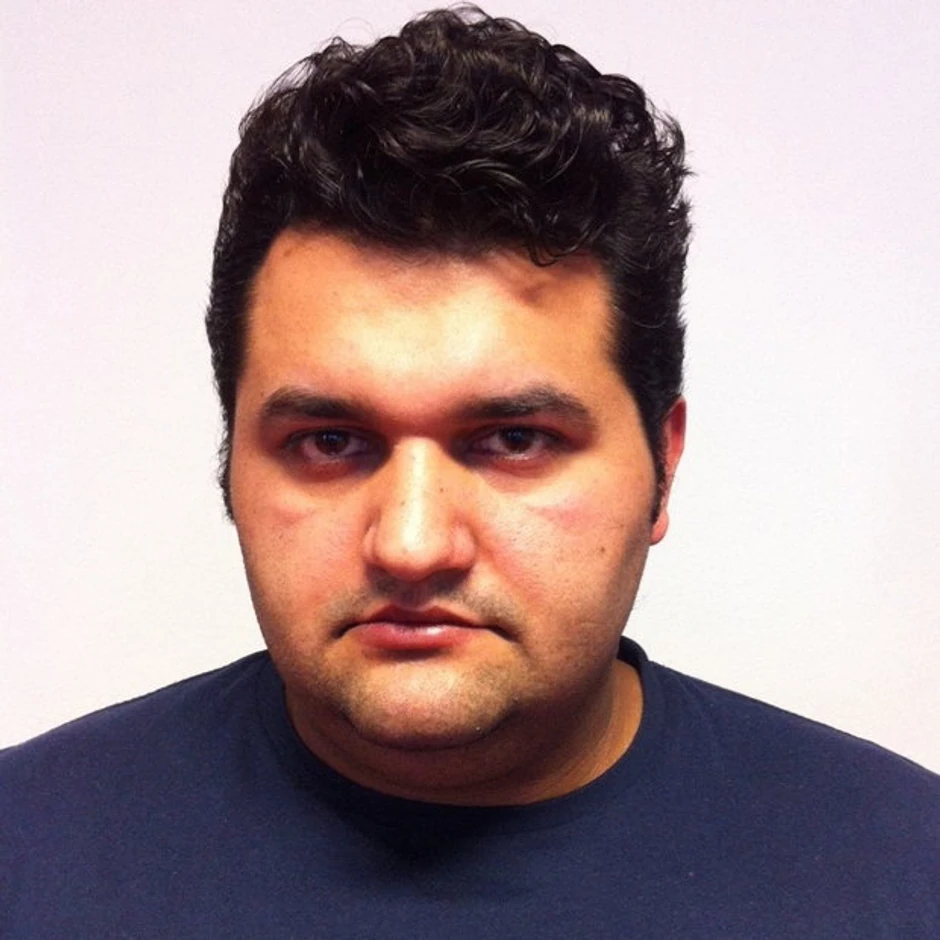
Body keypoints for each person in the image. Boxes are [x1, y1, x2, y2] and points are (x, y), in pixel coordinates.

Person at [1, 6, 936, 936]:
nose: (412, 546)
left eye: (514, 440)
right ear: (231, 460)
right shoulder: (27, 854)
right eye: (330, 442)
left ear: (664, 462)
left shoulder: (904, 873)